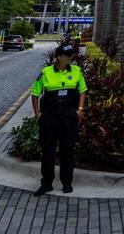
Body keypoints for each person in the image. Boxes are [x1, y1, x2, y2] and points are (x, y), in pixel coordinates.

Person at [31, 42, 87, 196]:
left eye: (72, 55)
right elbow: (35, 93)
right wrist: (37, 114)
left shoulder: (76, 71)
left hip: (68, 116)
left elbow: (82, 90)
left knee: (67, 151)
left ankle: (67, 183)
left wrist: (80, 110)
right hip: (49, 116)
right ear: (58, 56)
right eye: (67, 55)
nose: (70, 58)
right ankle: (46, 183)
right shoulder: (46, 72)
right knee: (48, 151)